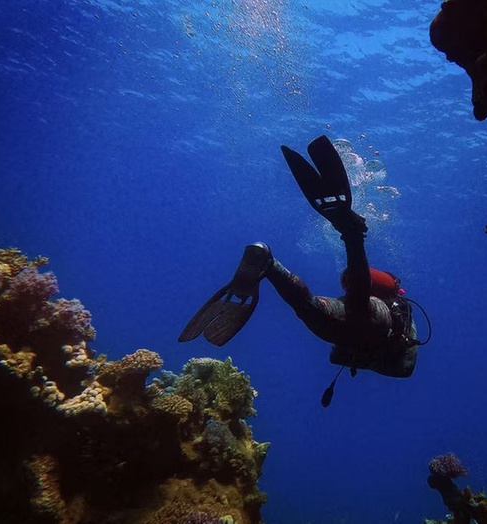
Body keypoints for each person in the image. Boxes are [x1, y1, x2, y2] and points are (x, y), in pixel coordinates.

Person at [178, 135, 428, 405]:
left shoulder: (384, 320)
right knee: (340, 307)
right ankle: (349, 235)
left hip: (349, 321)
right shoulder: (400, 339)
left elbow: (340, 350)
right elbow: (403, 369)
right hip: (369, 328)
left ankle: (270, 263)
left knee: (314, 305)